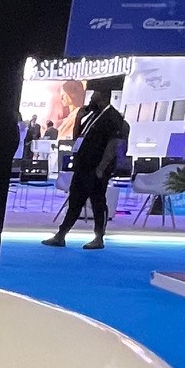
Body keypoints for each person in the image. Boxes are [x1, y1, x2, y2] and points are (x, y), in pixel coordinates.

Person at [42, 87, 128, 249]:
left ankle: (99, 237)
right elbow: (78, 138)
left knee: (98, 202)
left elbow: (113, 145)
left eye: (94, 96)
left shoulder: (113, 117)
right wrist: (78, 119)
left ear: (103, 97)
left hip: (97, 168)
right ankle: (61, 235)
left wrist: (101, 168)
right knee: (75, 200)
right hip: (83, 166)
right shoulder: (93, 116)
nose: (91, 99)